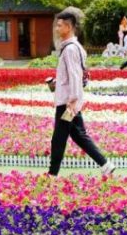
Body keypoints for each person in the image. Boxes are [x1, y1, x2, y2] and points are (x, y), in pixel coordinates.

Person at [48, 11, 114, 178]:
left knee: (58, 139)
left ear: (69, 27)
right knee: (78, 135)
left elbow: (75, 75)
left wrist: (73, 100)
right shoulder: (73, 47)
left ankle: (52, 174)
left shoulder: (70, 49)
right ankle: (105, 164)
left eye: (60, 25)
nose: (57, 28)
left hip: (67, 103)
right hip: (69, 100)